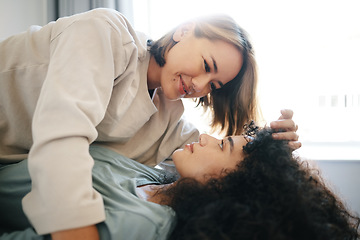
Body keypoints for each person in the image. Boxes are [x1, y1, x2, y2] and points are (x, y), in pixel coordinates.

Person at [0, 8, 300, 239]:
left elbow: (221, 169)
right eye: (207, 66)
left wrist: (271, 147)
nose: (201, 85)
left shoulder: (167, 116)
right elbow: (62, 133)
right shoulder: (106, 34)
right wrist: (75, 229)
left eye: (214, 85)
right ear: (184, 31)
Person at [0, 123, 358, 240]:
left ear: (231, 184)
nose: (206, 136)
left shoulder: (142, 224)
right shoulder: (161, 179)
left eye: (223, 145)